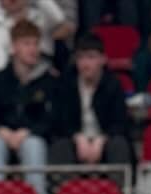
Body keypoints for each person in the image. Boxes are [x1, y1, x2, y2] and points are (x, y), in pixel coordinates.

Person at [0, 18, 54, 194]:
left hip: (32, 136)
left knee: (33, 145)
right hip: (2, 135)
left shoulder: (49, 81)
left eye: (36, 44)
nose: (33, 49)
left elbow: (52, 120)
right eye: (26, 44)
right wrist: (1, 131)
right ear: (13, 48)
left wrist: (28, 131)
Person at [49, 30, 131, 169]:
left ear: (103, 59)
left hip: (105, 142)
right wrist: (78, 137)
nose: (85, 63)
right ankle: (62, 190)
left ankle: (122, 190)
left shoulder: (113, 85)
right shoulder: (66, 84)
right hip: (75, 142)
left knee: (118, 145)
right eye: (81, 58)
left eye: (91, 57)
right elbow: (59, 122)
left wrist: (101, 140)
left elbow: (120, 124)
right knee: (60, 146)